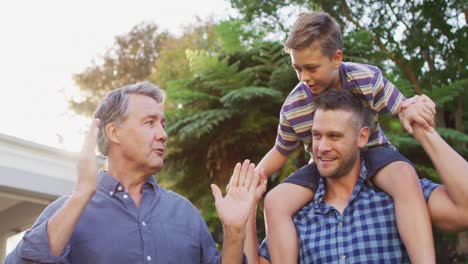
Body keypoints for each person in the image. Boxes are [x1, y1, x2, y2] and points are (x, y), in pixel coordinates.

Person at [5, 82, 266, 264]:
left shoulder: (184, 213)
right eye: (149, 122)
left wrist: (233, 233)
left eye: (163, 124)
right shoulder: (67, 212)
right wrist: (83, 192)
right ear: (114, 132)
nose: (163, 134)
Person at [256, 11, 437, 263]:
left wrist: (414, 109)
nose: (304, 77)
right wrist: (254, 176)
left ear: (336, 58)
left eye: (311, 68)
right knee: (275, 201)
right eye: (297, 68)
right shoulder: (294, 107)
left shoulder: (366, 78)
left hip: (374, 152)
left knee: (406, 177)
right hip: (323, 165)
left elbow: (401, 106)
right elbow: (281, 150)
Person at [246, 88, 468, 263]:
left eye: (334, 136)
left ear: (362, 137)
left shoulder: (401, 196)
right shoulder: (296, 215)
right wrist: (245, 215)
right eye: (316, 135)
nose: (321, 147)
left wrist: (423, 130)